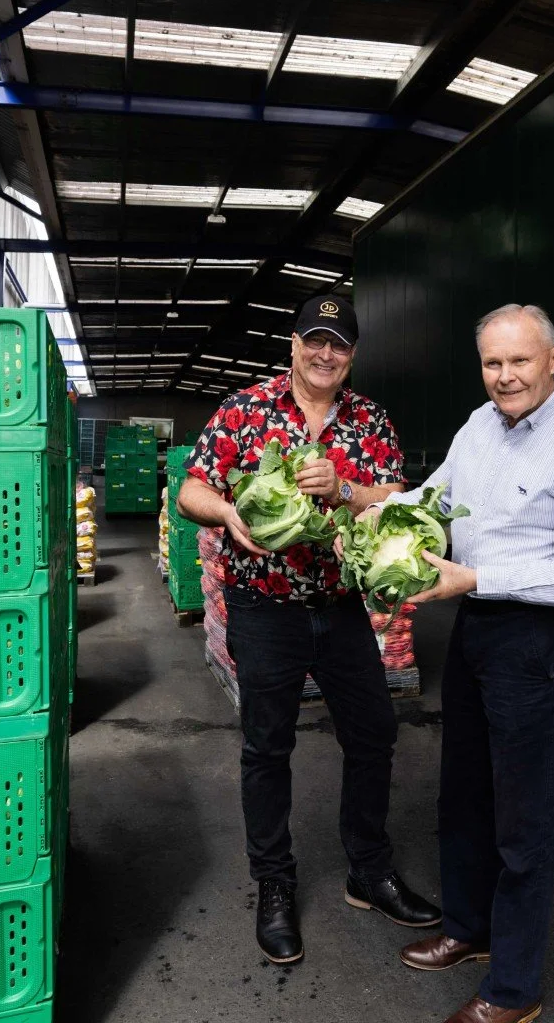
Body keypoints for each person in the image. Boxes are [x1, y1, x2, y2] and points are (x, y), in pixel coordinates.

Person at [369, 303, 554, 1023]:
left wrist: (472, 579)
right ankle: (468, 928)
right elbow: (437, 496)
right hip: (478, 627)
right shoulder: (481, 424)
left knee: (523, 818)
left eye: (519, 360)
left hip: (537, 641)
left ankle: (514, 990)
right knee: (464, 794)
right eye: (492, 362)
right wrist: (379, 518)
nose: (505, 376)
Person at [177, 293, 441, 966]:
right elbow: (192, 490)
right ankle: (273, 884)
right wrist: (230, 516)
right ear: (293, 343)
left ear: (352, 355)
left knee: (375, 735)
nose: (326, 354)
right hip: (265, 606)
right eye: (315, 339)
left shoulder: (369, 419)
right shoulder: (246, 409)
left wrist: (345, 491)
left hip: (341, 606)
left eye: (340, 344)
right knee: (267, 748)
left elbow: (396, 496)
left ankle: (368, 871)